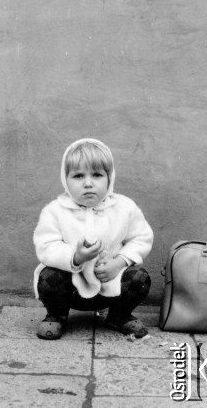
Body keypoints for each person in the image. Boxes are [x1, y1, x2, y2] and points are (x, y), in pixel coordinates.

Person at [33, 138, 153, 340]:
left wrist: (119, 262)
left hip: (110, 285)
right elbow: (46, 246)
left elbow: (141, 238)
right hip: (71, 288)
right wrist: (76, 256)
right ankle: (57, 315)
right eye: (78, 176)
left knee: (139, 277)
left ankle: (119, 316)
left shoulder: (124, 208)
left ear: (109, 178)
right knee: (47, 277)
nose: (88, 183)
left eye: (97, 175)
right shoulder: (54, 211)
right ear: (65, 179)